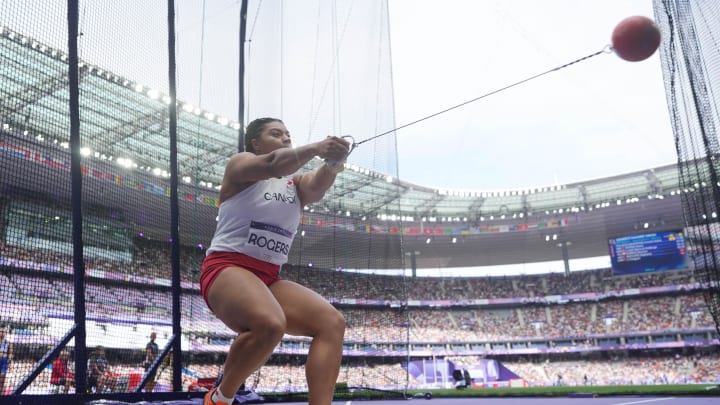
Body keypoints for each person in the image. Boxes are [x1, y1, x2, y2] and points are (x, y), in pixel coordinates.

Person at [201, 118, 349, 405]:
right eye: (276, 133)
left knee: (332, 323)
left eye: (288, 134)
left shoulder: (294, 184)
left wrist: (332, 163)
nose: (285, 138)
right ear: (256, 143)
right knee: (270, 324)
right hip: (226, 268)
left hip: (269, 277)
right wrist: (318, 147)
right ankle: (220, 398)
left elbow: (316, 188)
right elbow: (271, 165)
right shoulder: (240, 164)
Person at [0, 326, 12, 395]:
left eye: (3, 332)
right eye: (0, 332)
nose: (1, 333)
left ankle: (1, 394)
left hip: (4, 361)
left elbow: (10, 353)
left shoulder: (8, 343)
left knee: (2, 379)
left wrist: (9, 362)